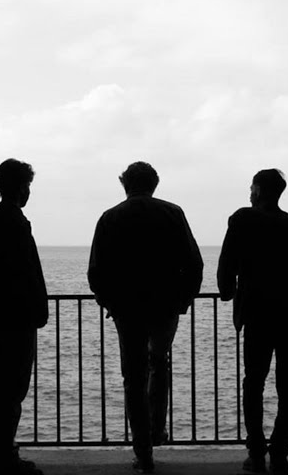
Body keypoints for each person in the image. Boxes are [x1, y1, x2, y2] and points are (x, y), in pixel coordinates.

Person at [88, 162, 204, 474]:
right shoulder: (172, 213)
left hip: (127, 309)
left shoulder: (110, 217)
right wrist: (182, 301)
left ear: (124, 184)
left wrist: (110, 302)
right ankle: (156, 430)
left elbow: (96, 272)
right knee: (159, 361)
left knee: (134, 377)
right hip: (165, 306)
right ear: (154, 184)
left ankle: (143, 451)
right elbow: (194, 264)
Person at [217, 169, 288, 475]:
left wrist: (228, 291)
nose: (249, 192)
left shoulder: (242, 220)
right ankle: (279, 453)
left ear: (259, 191)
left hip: (257, 315)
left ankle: (256, 453)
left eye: (252, 187)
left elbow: (227, 265)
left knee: (253, 383)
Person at [0, 159, 49, 475]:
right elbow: (27, 273)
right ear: (20, 187)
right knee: (12, 389)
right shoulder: (15, 223)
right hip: (17, 319)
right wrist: (34, 309)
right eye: (27, 185)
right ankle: (5, 459)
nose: (29, 191)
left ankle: (0, 455)